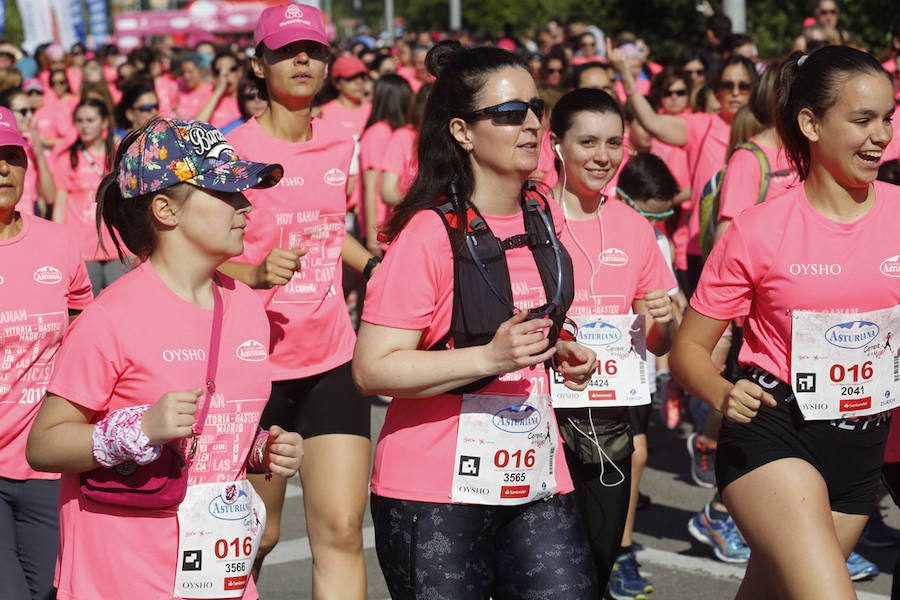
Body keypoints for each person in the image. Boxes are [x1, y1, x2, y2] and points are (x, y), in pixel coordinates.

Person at [353, 40, 599, 600]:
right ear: (463, 132)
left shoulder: (544, 209)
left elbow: (522, 323)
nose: (533, 124)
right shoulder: (427, 234)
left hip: (533, 470)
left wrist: (558, 348)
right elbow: (372, 370)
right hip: (433, 488)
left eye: (538, 108)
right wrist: (492, 356)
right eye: (511, 114)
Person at [25, 117, 303, 600]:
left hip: (222, 575)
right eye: (226, 192)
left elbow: (211, 430)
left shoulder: (248, 310)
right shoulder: (109, 317)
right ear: (165, 210)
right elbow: (44, 444)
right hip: (122, 575)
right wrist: (139, 429)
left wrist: (260, 448)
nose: (245, 205)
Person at [669, 45, 900, 599]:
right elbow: (688, 352)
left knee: (770, 592)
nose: (881, 136)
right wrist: (722, 394)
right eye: (863, 119)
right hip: (775, 432)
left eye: (887, 118)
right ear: (810, 123)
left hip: (862, 445)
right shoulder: (759, 230)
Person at [219, 5, 377, 597]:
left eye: (312, 49)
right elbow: (185, 252)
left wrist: (377, 265)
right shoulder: (230, 150)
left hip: (332, 358)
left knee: (339, 528)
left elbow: (332, 233)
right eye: (286, 51)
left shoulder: (341, 141)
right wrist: (252, 272)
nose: (302, 60)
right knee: (255, 536)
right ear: (259, 65)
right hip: (254, 368)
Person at [547, 88, 676, 598]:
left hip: (609, 419)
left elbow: (659, 342)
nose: (603, 156)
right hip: (537, 414)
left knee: (599, 557)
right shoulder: (530, 217)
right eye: (588, 142)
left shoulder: (633, 225)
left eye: (614, 143)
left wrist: (663, 319)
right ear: (555, 144)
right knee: (544, 563)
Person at [0, 105, 92, 600]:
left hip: (46, 461)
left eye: (12, 156)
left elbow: (84, 319)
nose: (2, 168)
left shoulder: (58, 243)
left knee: (49, 593)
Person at [609, 42, 758, 299]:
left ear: (754, 90)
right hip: (704, 249)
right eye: (727, 85)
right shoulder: (701, 126)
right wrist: (627, 78)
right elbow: (652, 122)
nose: (735, 92)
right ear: (717, 90)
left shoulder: (767, 133)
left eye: (743, 86)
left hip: (755, 251)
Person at [52, 98, 123, 295]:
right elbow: (60, 207)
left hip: (118, 246)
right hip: (82, 250)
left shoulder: (118, 156)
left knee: (120, 305)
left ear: (105, 122)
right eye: (80, 120)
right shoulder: (67, 159)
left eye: (90, 120)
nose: (84, 126)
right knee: (89, 310)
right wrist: (58, 246)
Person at [358, 73, 414, 255]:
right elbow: (370, 186)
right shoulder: (378, 133)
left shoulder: (397, 131)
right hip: (380, 225)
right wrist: (373, 235)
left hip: (390, 222)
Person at [0, 89, 56, 218]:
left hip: (29, 223)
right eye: (23, 112)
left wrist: (39, 155)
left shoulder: (32, 145)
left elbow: (50, 197)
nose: (30, 117)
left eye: (32, 111)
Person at [195, 51, 245, 130]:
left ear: (240, 71)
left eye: (232, 69)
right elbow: (196, 128)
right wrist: (218, 91)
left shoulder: (249, 98)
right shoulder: (208, 96)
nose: (225, 74)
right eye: (218, 71)